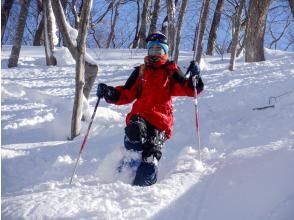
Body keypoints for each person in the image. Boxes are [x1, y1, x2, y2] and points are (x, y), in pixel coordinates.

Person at [96, 32, 204, 187]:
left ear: (165, 52)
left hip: (160, 122)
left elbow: (188, 89)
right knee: (134, 130)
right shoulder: (141, 71)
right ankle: (124, 171)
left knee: (150, 156)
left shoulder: (171, 71)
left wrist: (195, 78)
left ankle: (142, 188)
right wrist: (109, 92)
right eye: (151, 50)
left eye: (158, 50)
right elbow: (127, 93)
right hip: (140, 115)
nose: (154, 53)